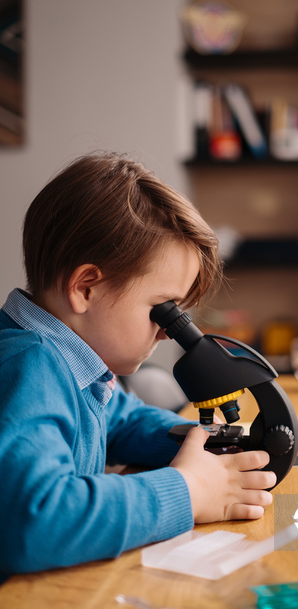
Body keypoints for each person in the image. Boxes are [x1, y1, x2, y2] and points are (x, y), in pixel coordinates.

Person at [0, 152, 275, 582]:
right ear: (85, 288)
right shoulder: (29, 366)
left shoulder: (68, 362)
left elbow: (121, 421)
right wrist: (190, 491)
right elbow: (32, 519)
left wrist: (212, 446)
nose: (168, 332)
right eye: (161, 311)